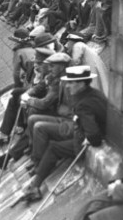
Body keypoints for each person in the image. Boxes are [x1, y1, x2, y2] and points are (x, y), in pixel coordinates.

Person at [21, 65, 108, 202]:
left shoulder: (83, 103)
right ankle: (35, 182)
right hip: (88, 132)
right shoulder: (93, 93)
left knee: (53, 148)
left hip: (83, 141)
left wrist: (89, 138)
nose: (68, 86)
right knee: (49, 139)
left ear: (81, 83)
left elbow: (94, 135)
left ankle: (35, 186)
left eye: (71, 83)